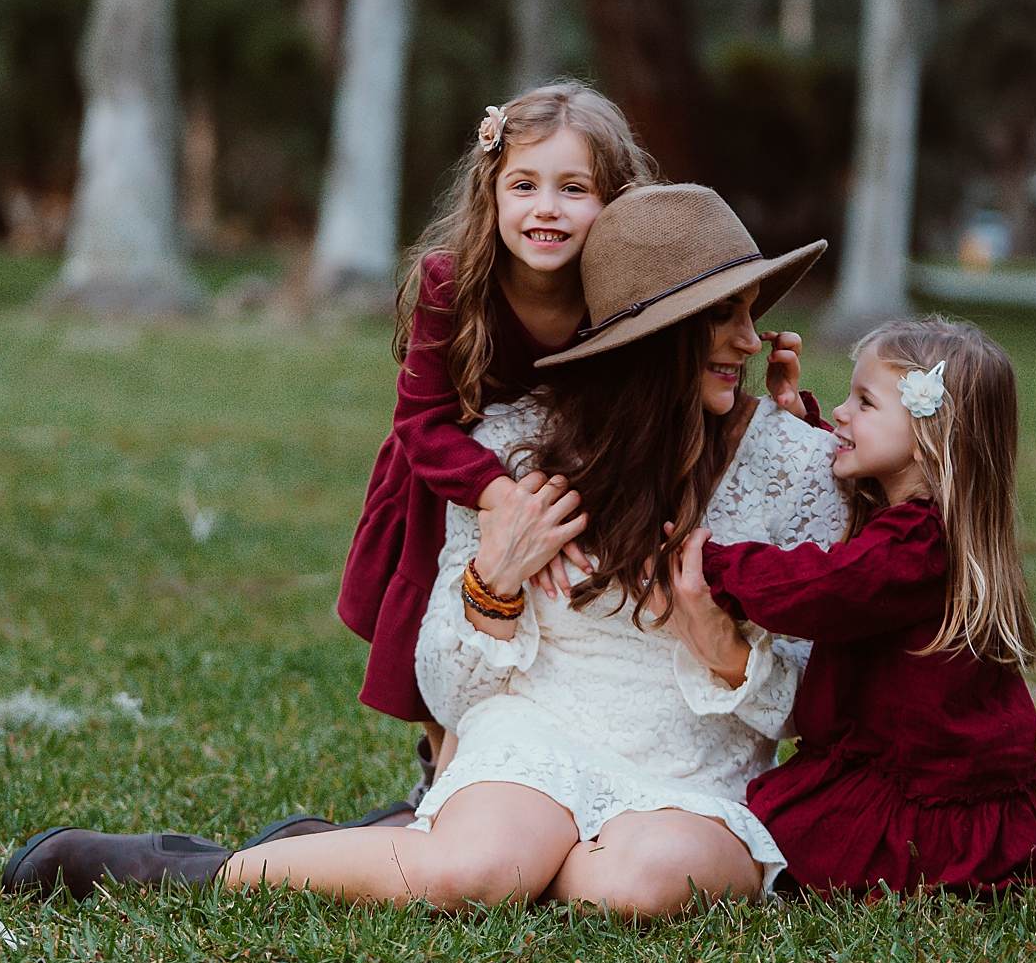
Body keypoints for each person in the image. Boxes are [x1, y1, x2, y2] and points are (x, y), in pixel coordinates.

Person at [0, 184, 839, 916]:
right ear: (657, 337)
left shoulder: (803, 464)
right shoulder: (514, 449)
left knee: (634, 889)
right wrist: (494, 586)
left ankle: (408, 843)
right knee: (475, 871)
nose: (749, 338)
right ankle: (196, 867)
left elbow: (824, 707)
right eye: (721, 316)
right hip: (543, 731)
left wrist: (726, 653)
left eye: (749, 310)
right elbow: (446, 681)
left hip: (697, 764)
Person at [330, 83, 809, 817]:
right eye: (524, 185)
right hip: (456, 465)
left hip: (573, 451)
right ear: (492, 191)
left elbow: (677, 382)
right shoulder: (454, 280)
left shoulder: (616, 287)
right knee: (433, 608)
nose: (546, 208)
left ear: (613, 204)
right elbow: (421, 418)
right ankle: (440, 766)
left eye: (573, 188)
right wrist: (502, 497)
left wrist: (787, 417)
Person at [654, 317, 1036, 900]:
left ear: (931, 432)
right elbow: (847, 502)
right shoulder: (922, 527)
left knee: (772, 844)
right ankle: (1028, 846)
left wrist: (716, 563)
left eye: (864, 401)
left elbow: (819, 588)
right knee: (771, 819)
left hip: (919, 789)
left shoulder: (917, 547)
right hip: (917, 772)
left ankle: (1011, 854)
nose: (840, 412)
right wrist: (796, 425)